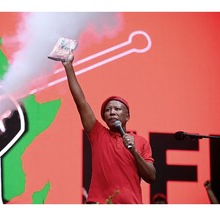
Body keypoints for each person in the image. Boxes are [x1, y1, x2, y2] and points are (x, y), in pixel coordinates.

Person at [61, 53, 156, 204]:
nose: (112, 112)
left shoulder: (140, 142)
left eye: (117, 109)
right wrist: (68, 67)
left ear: (127, 116)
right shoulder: (98, 134)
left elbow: (151, 177)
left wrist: (133, 151)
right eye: (108, 110)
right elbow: (81, 101)